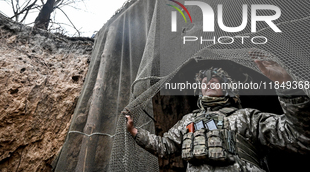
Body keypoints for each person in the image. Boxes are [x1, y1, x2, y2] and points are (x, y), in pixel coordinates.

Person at [124, 59, 310, 172]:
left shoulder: (247, 117)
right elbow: (165, 146)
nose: (208, 83)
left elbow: (297, 135)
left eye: (214, 80)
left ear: (227, 89)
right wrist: (135, 132)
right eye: (204, 81)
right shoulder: (189, 120)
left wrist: (285, 84)